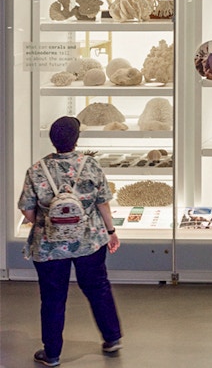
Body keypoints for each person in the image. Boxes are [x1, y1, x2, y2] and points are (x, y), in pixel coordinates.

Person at [18, 116, 123, 367]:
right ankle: (112, 338)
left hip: (49, 245)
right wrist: (111, 232)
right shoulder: (90, 165)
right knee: (98, 287)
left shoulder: (36, 170)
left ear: (52, 140)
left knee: (53, 297)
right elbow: (103, 203)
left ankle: (52, 353)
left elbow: (27, 210)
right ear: (76, 140)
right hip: (89, 239)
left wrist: (49, 223)